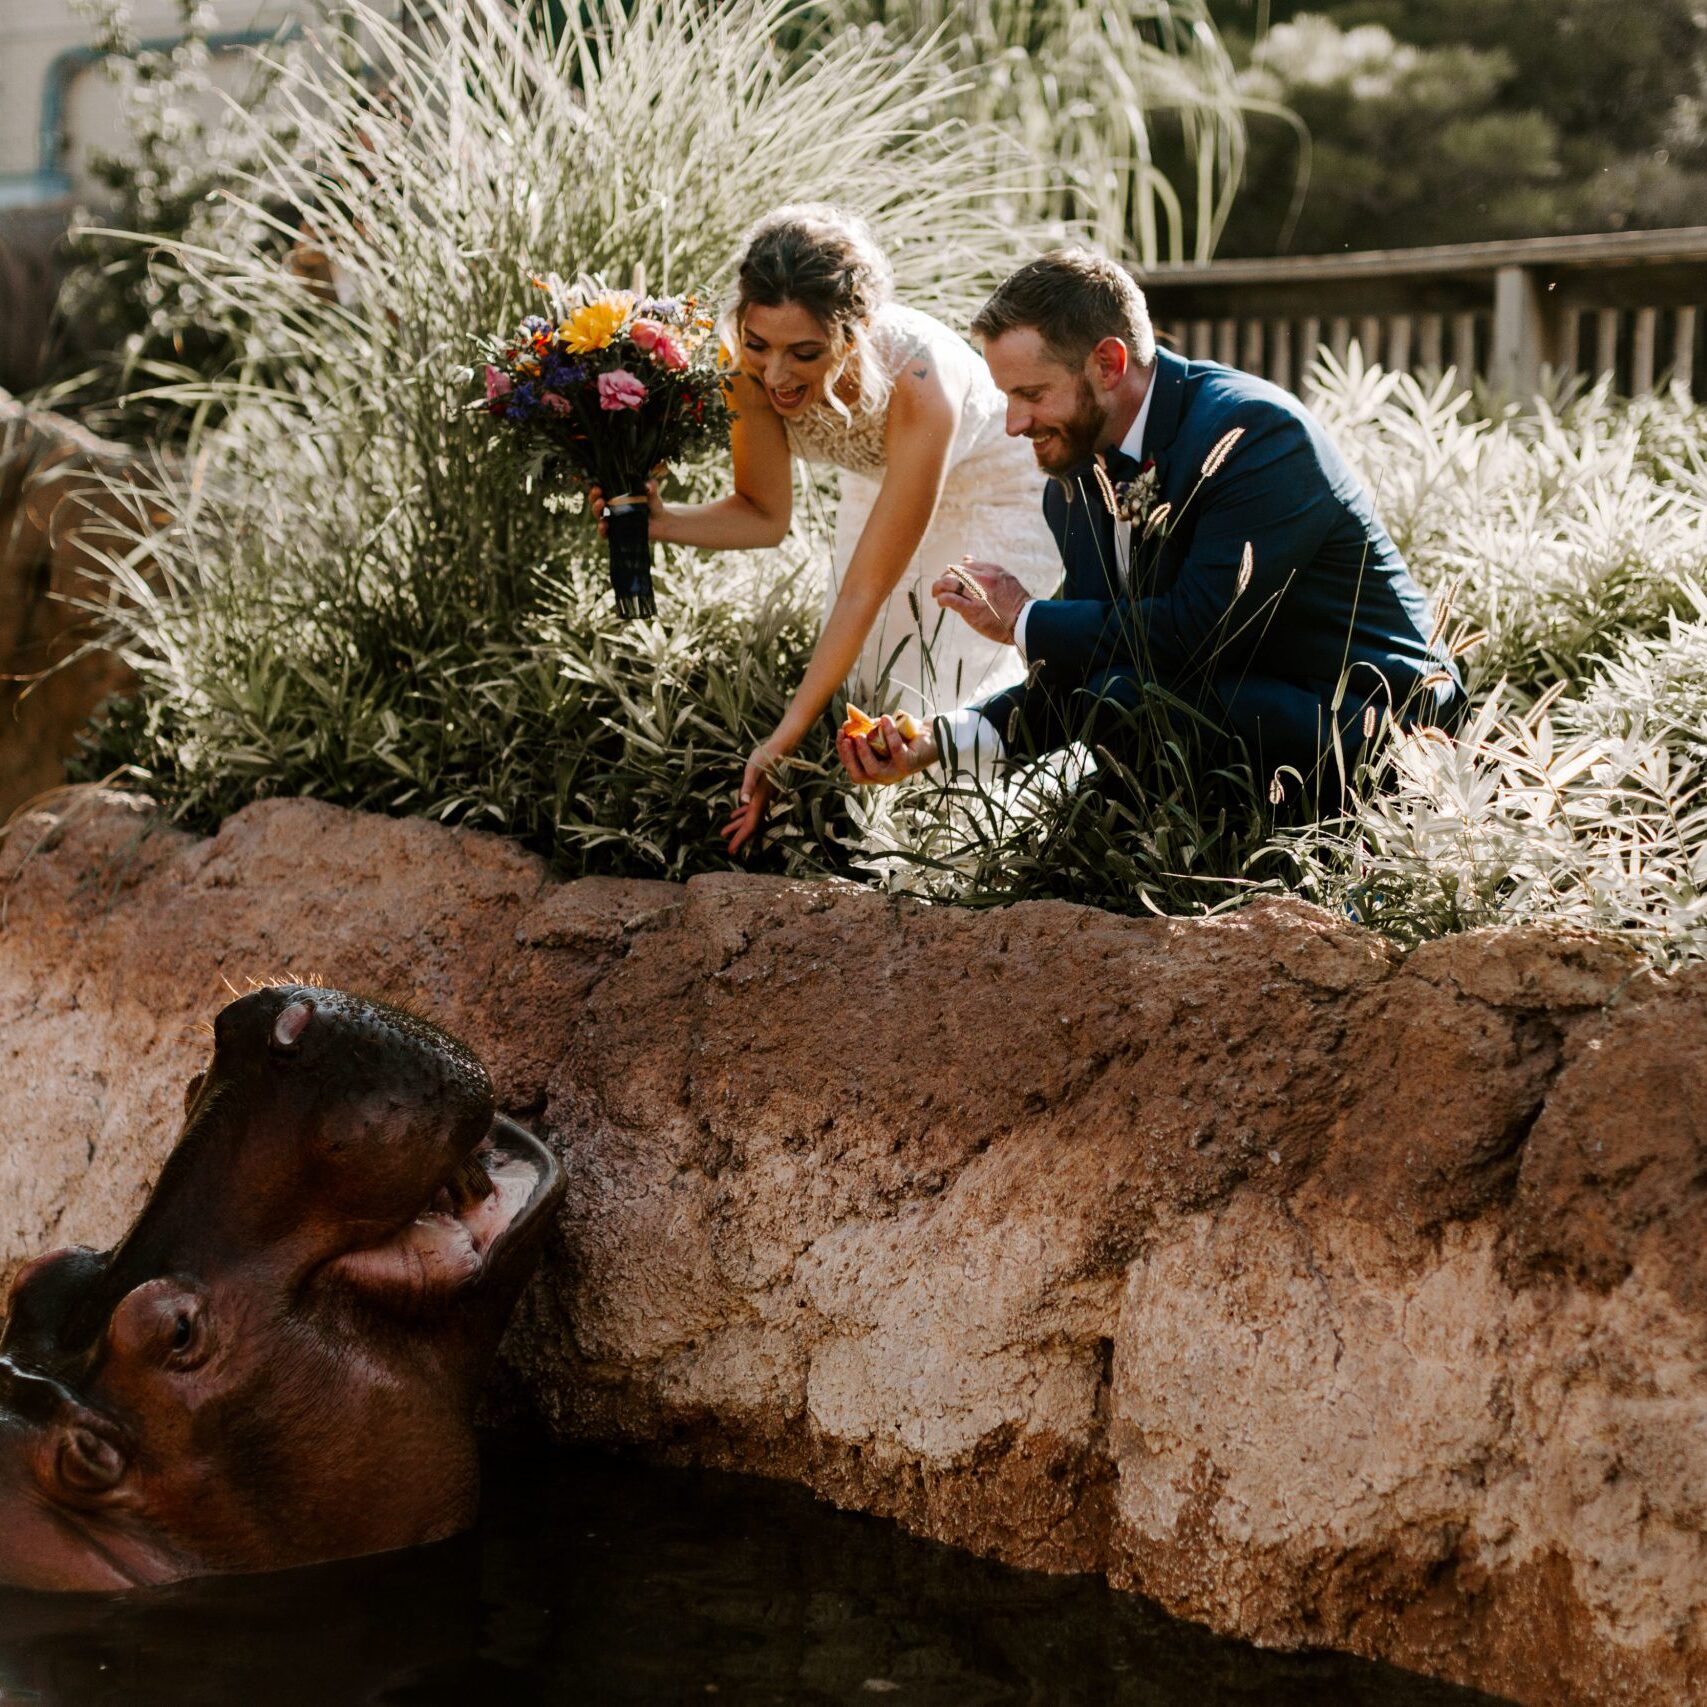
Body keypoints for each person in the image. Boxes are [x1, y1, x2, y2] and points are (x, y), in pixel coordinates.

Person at [836, 246, 1465, 803]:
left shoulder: (1257, 435)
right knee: (1118, 713)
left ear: (1109, 363)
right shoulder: (1074, 483)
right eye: (1007, 397)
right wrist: (936, 743)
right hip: (1235, 717)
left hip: (1379, 728)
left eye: (1032, 393)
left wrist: (1024, 619)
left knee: (1126, 706)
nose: (1014, 423)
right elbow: (1088, 657)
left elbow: (1192, 635)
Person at [592, 205, 1061, 855]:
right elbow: (763, 515)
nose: (776, 374)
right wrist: (660, 522)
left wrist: (779, 739)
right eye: (759, 345)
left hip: (997, 491)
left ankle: (979, 856)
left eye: (803, 352)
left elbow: (861, 591)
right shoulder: (747, 365)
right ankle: (878, 851)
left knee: (942, 678)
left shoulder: (919, 380)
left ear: (855, 332)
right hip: (881, 480)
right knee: (869, 681)